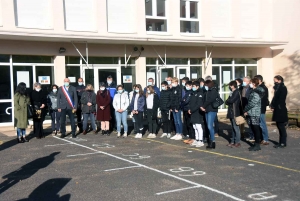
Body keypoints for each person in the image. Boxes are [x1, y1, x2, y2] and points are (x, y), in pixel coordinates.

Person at [244, 78, 263, 151]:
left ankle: (257, 144)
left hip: (255, 113)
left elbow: (252, 103)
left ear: (254, 84)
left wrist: (245, 109)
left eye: (251, 83)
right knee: (253, 128)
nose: (250, 84)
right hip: (251, 112)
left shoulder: (256, 92)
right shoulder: (253, 91)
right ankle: (256, 143)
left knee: (256, 128)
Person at [270, 75, 288, 148]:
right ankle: (280, 142)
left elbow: (281, 99)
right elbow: (274, 98)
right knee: (278, 125)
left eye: (275, 81)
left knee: (281, 126)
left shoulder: (283, 88)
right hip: (277, 108)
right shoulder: (277, 88)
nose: (274, 82)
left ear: (279, 80)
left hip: (281, 109)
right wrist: (272, 105)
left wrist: (275, 106)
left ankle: (283, 142)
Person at [201, 80, 219, 149]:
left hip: (212, 110)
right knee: (208, 125)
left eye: (205, 85)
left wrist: (203, 106)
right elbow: (204, 99)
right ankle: (210, 140)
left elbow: (210, 100)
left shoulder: (213, 91)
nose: (204, 86)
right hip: (207, 110)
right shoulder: (207, 91)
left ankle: (212, 141)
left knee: (210, 126)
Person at [225, 81, 242, 148]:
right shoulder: (232, 92)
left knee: (236, 127)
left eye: (230, 85)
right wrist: (228, 101)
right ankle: (232, 141)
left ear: (233, 86)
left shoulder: (236, 92)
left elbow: (231, 100)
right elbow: (227, 101)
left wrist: (228, 101)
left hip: (235, 111)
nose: (229, 87)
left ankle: (237, 141)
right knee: (232, 127)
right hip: (231, 111)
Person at [188, 81, 204, 147]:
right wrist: (189, 109)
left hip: (197, 112)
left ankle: (200, 140)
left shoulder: (200, 93)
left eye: (194, 86)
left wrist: (192, 110)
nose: (193, 87)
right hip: (192, 112)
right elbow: (191, 102)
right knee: (194, 126)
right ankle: (197, 139)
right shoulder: (193, 93)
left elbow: (198, 104)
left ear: (197, 86)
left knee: (198, 126)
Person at [254, 75, 270, 145]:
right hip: (258, 108)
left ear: (259, 80)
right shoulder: (259, 88)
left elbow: (261, 99)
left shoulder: (263, 88)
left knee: (262, 124)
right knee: (259, 124)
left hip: (261, 109)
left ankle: (265, 139)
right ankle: (261, 138)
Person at [242, 76, 254, 141]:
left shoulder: (250, 89)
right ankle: (250, 135)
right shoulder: (243, 88)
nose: (243, 82)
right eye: (243, 81)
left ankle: (253, 136)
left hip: (249, 108)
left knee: (252, 123)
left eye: (244, 81)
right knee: (248, 122)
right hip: (245, 107)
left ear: (248, 82)